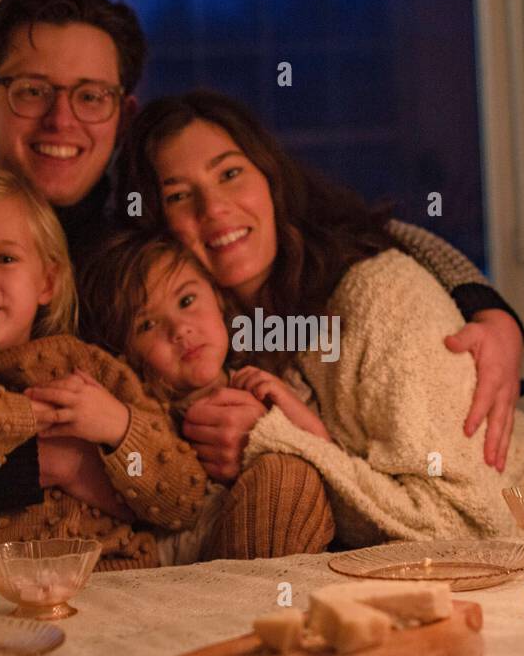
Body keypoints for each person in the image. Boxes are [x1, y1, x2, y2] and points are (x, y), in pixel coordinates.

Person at [0, 0, 524, 590]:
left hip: (105, 600)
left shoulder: (131, 247)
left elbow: (315, 225)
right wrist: (39, 468)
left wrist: (485, 303)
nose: (61, 119)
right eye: (31, 90)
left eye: (90, 95)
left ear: (121, 112)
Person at [114, 90, 524, 546]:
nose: (214, 209)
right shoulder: (202, 339)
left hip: (514, 563)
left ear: (271, 177)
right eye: (179, 196)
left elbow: (468, 529)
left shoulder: (382, 298)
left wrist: (274, 441)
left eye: (230, 173)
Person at [0, 165, 215, 579]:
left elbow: (184, 498)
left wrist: (118, 426)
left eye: (6, 258)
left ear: (47, 282)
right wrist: (37, 415)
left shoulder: (93, 371)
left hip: (119, 583)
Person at [79, 230, 336, 562]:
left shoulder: (268, 383)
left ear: (218, 299)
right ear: (126, 354)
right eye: (147, 325)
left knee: (289, 475)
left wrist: (290, 409)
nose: (180, 330)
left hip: (292, 556)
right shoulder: (147, 421)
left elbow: (331, 472)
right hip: (197, 566)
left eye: (187, 301)